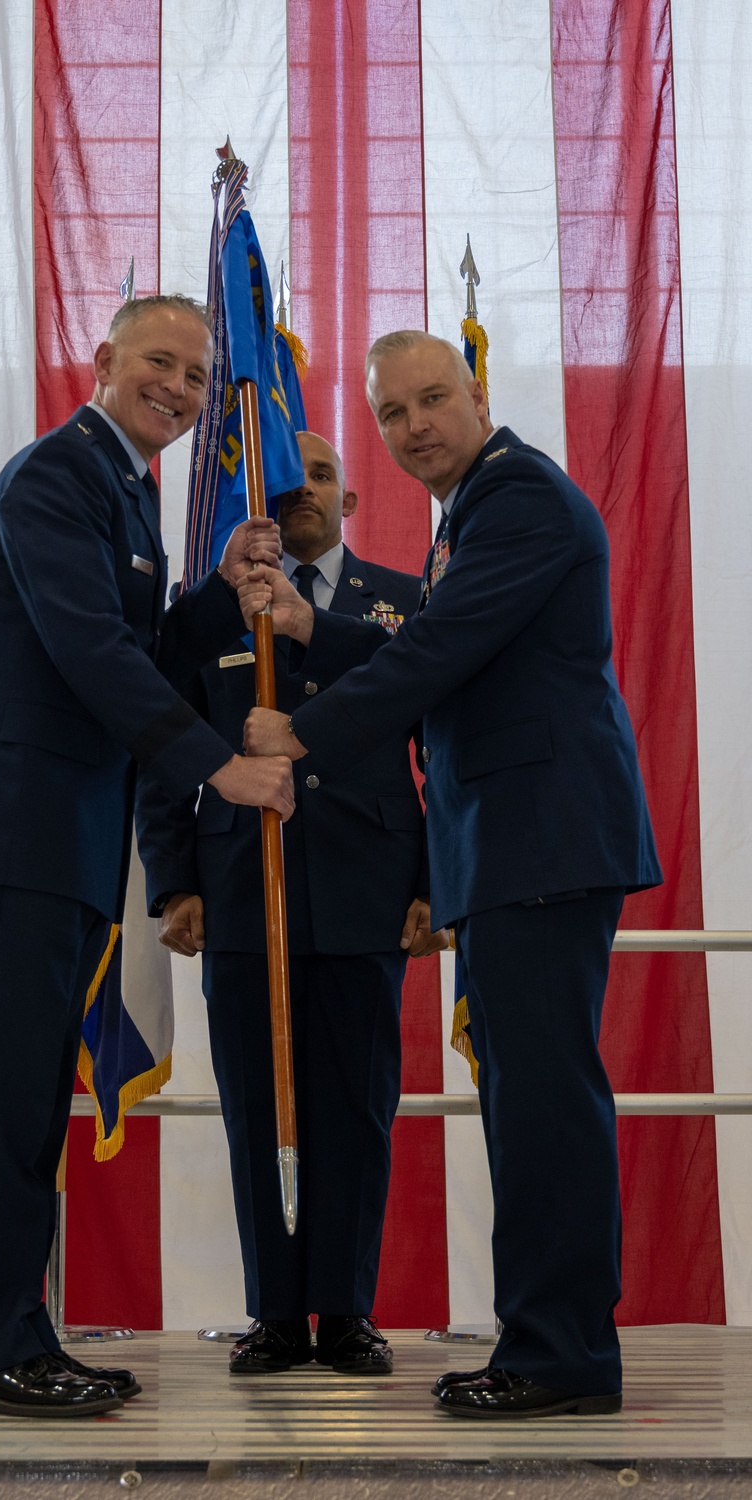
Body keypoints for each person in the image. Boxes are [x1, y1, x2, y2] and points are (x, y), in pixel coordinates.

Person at [242, 332, 662, 1419]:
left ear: (478, 398)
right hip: (512, 839)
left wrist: (298, 733)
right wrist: (313, 630)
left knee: (542, 1107)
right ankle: (546, 1340)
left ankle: (559, 1355)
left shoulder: (517, 497)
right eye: (392, 412)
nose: (414, 424)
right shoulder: (472, 511)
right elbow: (429, 641)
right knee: (525, 1102)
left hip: (541, 834)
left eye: (434, 399)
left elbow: (439, 654)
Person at [0, 295, 295, 1419]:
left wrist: (213, 586)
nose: (174, 387)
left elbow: (133, 642)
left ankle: (15, 1332)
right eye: (155, 363)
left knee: (31, 1099)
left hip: (66, 832)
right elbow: (85, 652)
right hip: (17, 824)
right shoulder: (54, 477)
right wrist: (216, 766)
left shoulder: (125, 483)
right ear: (102, 361)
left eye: (191, 374)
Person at [136, 430, 445, 1378]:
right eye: (283, 478)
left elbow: (443, 743)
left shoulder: (403, 603)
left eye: (320, 476)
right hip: (240, 884)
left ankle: (346, 1313)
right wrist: (175, 876)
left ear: (350, 500)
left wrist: (435, 882)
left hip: (369, 884)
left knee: (355, 1106)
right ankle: (274, 1313)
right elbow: (163, 735)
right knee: (255, 1107)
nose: (300, 490)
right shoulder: (215, 610)